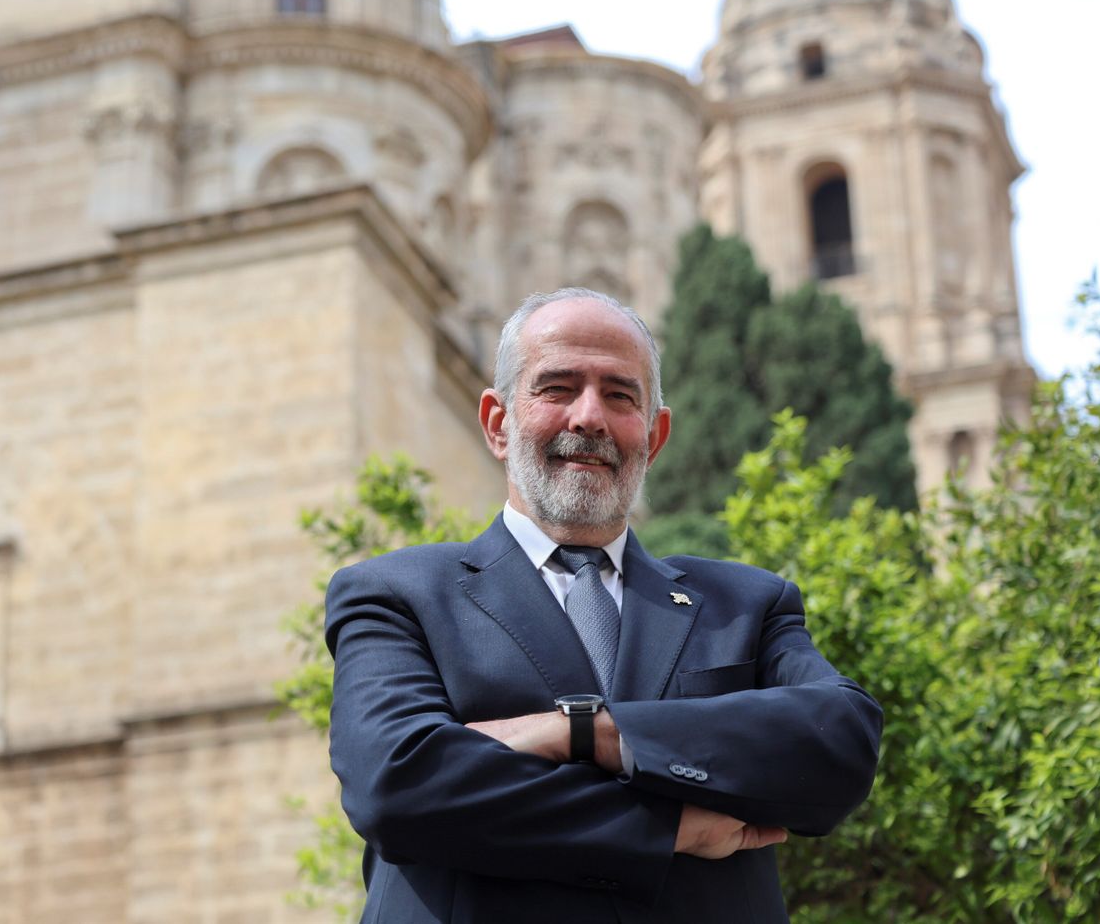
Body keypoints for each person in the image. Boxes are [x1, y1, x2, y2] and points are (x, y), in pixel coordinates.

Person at [325, 287, 882, 923]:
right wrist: (666, 828)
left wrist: (588, 732)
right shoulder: (396, 594)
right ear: (498, 423)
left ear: (655, 436)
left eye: (620, 396)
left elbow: (839, 742)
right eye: (557, 388)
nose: (589, 417)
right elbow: (398, 785)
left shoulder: (746, 605)